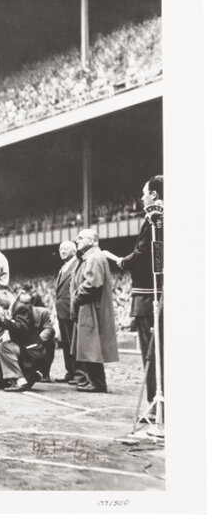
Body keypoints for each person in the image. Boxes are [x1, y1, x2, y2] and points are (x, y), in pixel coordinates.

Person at [102, 176, 163, 414]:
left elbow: (144, 255)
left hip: (148, 293)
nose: (142, 197)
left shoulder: (154, 219)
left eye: (144, 193)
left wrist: (119, 261)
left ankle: (156, 405)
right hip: (157, 289)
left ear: (155, 195)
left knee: (151, 352)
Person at [70, 229, 119, 393]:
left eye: (81, 238)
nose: (77, 240)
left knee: (91, 345)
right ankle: (94, 380)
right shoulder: (89, 257)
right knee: (88, 345)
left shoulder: (95, 257)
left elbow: (92, 284)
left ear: (92, 241)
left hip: (91, 306)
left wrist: (76, 296)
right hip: (87, 305)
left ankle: (97, 382)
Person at [0, 285, 52, 392]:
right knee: (0, 348)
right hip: (27, 347)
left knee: (4, 348)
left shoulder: (21, 307)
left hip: (31, 350)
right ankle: (31, 375)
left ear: (5, 293)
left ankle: (21, 380)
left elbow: (22, 329)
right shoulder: (13, 308)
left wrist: (3, 320)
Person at [54, 240, 80, 383]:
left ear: (74, 250)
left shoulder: (77, 265)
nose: (62, 251)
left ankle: (77, 372)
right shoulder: (63, 267)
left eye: (65, 249)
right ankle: (70, 371)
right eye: (60, 249)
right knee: (66, 342)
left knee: (72, 342)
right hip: (61, 310)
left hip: (70, 310)